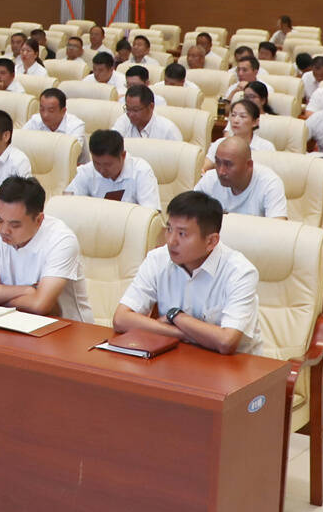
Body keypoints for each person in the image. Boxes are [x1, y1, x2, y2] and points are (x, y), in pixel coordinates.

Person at [112, 192, 263, 354]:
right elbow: (121, 319)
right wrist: (184, 333)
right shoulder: (158, 259)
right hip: (177, 357)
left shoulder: (240, 272)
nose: (171, 241)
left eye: (182, 234)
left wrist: (175, 316)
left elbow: (226, 342)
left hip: (235, 364)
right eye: (169, 229)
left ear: (211, 241)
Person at [0, 176, 91, 321]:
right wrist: (27, 291)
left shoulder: (62, 240)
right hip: (15, 322)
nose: (4, 230)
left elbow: (40, 306)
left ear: (38, 220)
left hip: (67, 327)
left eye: (15, 225)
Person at [193, 136, 288, 219]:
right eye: (218, 162)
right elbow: (188, 213)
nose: (221, 172)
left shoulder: (270, 184)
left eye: (228, 164)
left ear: (249, 165)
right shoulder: (210, 178)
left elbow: (278, 227)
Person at [64, 129, 160, 207]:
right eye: (97, 163)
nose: (102, 170)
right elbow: (68, 202)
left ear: (123, 156)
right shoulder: (86, 171)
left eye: (108, 165)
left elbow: (151, 213)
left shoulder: (141, 171)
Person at [202, 98, 273, 173]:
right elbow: (204, 168)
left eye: (242, 116)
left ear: (255, 122)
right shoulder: (220, 143)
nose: (235, 120)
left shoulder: (266, 147)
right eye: (233, 115)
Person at [113, 83, 180, 142]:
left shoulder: (168, 130)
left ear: (151, 106)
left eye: (135, 110)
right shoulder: (123, 121)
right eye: (128, 109)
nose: (130, 114)